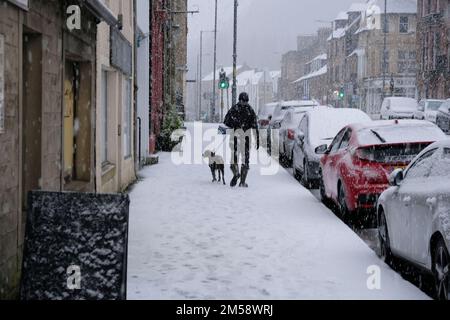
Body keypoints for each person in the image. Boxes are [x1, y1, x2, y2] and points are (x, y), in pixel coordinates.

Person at [224, 92, 260, 188]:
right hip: (246, 138)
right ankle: (242, 182)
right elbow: (255, 126)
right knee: (245, 160)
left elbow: (226, 121)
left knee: (234, 158)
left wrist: (234, 123)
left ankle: (236, 173)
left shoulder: (234, 109)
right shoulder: (250, 110)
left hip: (235, 137)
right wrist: (257, 139)